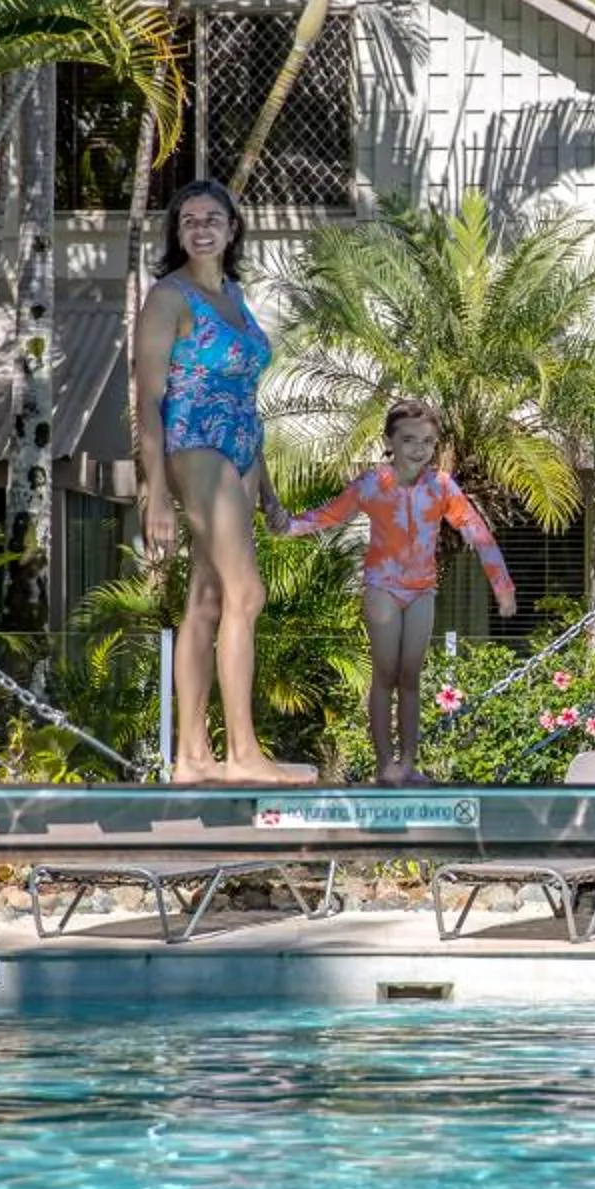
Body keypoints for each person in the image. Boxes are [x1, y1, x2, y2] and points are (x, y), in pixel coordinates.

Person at [130, 178, 314, 786]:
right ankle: (242, 754)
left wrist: (267, 491)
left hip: (242, 448)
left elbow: (246, 394)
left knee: (207, 601)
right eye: (188, 220)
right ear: (177, 233)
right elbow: (148, 400)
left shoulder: (233, 293)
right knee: (247, 594)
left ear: (233, 228)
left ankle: (192, 759)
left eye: (213, 218)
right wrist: (155, 490)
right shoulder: (168, 297)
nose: (201, 228)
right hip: (196, 441)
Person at [280, 399, 515, 785]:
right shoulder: (373, 484)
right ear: (389, 440)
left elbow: (477, 532)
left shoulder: (440, 486)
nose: (419, 448)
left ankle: (408, 764)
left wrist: (502, 587)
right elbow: (329, 515)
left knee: (411, 676)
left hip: (421, 590)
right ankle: (385, 764)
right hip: (383, 589)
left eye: (427, 440)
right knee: (385, 673)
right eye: (408, 440)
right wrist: (286, 526)